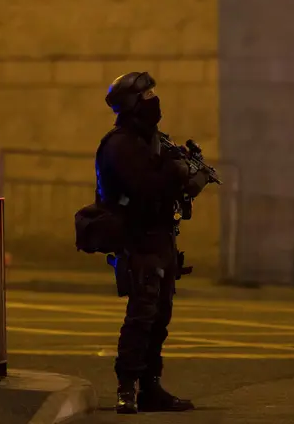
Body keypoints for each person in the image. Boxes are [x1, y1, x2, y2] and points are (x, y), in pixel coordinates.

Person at [96, 72, 210, 413]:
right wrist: (176, 175)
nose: (154, 99)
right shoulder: (120, 144)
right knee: (141, 315)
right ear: (131, 103)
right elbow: (144, 187)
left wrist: (193, 173)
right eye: (147, 95)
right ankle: (127, 387)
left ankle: (150, 385)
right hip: (138, 239)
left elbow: (172, 180)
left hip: (161, 237)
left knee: (160, 316)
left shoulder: (153, 139)